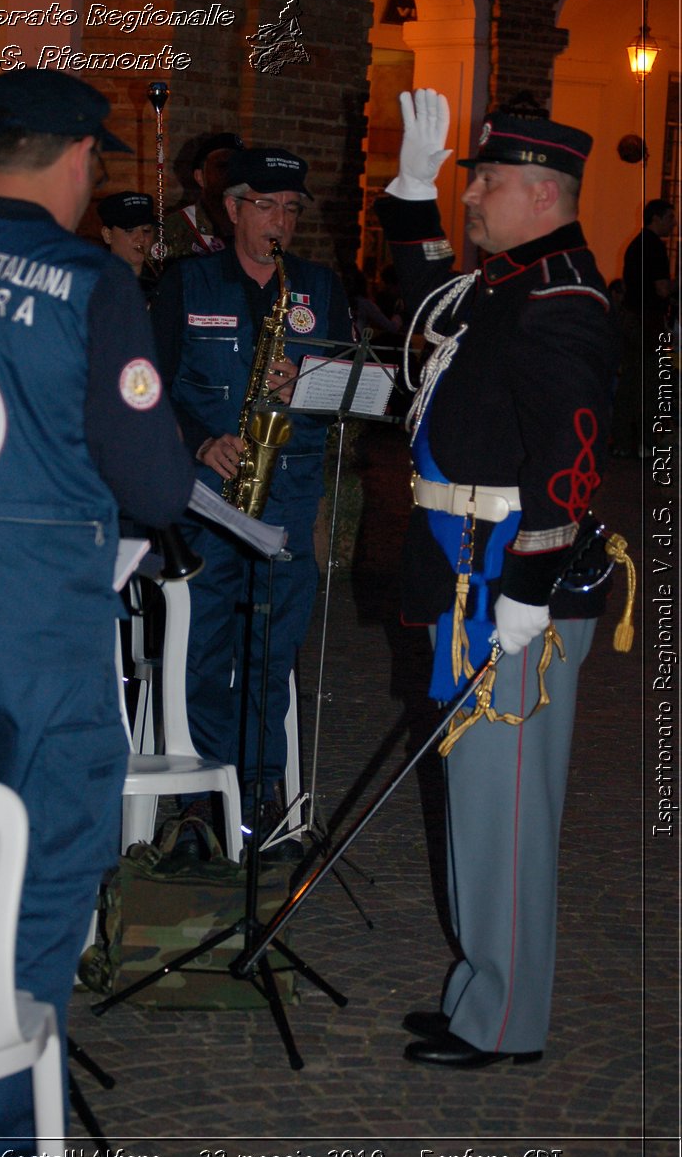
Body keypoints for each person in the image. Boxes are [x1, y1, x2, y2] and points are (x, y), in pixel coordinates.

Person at [0, 68, 193, 1157]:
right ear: (77, 160)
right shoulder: (86, 283)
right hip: (35, 664)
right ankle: (3, 1154)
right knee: (34, 906)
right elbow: (156, 487)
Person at [375, 90, 617, 1067]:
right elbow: (438, 310)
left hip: (515, 586)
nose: (468, 192)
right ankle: (484, 987)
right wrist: (405, 197)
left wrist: (532, 586)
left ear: (536, 190)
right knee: (478, 800)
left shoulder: (564, 298)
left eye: (481, 179)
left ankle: (506, 1021)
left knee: (507, 809)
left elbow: (575, 449)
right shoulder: (516, 282)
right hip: (467, 577)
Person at [150, 146, 352, 857]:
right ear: (232, 208)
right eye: (267, 205)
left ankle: (262, 791)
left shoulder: (319, 288)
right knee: (204, 647)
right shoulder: (186, 282)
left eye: (292, 209)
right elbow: (148, 387)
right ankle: (202, 799)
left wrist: (314, 381)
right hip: (209, 495)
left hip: (289, 495)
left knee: (271, 650)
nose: (282, 221)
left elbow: (355, 384)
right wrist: (202, 440)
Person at [614, 198, 677, 456]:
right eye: (670, 218)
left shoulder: (635, 245)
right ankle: (647, 442)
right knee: (652, 382)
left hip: (630, 319)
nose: (674, 224)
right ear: (657, 218)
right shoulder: (655, 247)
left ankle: (621, 442)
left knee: (629, 381)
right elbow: (661, 288)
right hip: (648, 322)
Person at [161, 130, 245, 262]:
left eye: (238, 166)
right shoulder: (172, 230)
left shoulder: (252, 223)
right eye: (222, 167)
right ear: (200, 177)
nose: (232, 174)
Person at [97, 189, 157, 301]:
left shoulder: (162, 283)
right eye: (130, 230)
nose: (141, 238)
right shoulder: (93, 283)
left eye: (146, 230)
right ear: (108, 235)